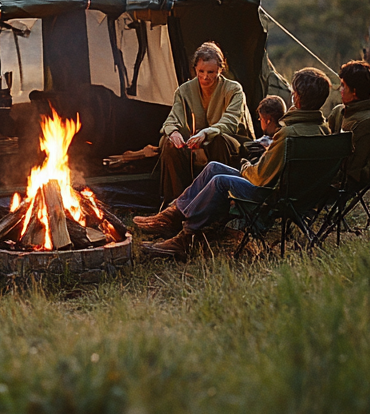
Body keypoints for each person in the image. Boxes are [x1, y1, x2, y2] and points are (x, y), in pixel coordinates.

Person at [143, 67, 332, 260]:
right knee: (214, 167)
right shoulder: (324, 130)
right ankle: (173, 215)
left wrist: (244, 167)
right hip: (298, 193)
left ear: (297, 98)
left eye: (293, 93)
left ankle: (185, 237)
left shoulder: (288, 134)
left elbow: (261, 177)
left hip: (274, 195)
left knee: (220, 181)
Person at [133, 41, 254, 233]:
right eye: (201, 72)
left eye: (211, 72)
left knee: (219, 140)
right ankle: (173, 210)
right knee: (168, 144)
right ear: (195, 69)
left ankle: (219, 208)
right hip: (196, 141)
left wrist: (206, 133)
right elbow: (173, 119)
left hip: (232, 140)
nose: (206, 77)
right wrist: (173, 133)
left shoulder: (233, 89)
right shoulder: (185, 90)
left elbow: (230, 122)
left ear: (220, 70)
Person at [327, 60, 370, 186]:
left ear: (354, 91)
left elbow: (354, 169)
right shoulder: (339, 111)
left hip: (344, 181)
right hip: (330, 171)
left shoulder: (369, 122)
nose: (339, 89)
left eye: (343, 86)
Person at [241, 95, 287, 162]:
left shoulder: (263, 145)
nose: (260, 121)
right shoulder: (288, 136)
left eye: (261, 118)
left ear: (267, 120)